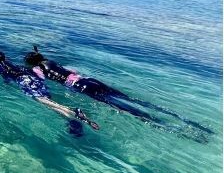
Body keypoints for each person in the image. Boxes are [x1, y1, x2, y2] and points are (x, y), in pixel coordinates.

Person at [23, 46, 212, 135]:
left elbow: (40, 81)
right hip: (88, 80)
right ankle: (186, 120)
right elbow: (70, 72)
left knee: (130, 111)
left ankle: (172, 128)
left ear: (30, 63)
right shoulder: (50, 61)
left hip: (81, 87)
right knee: (135, 101)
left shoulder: (37, 69)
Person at [0, 51, 99, 132]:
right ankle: (71, 120)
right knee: (48, 102)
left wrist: (6, 84)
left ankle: (73, 112)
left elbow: (6, 76)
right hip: (34, 78)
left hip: (24, 80)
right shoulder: (9, 62)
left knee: (44, 102)